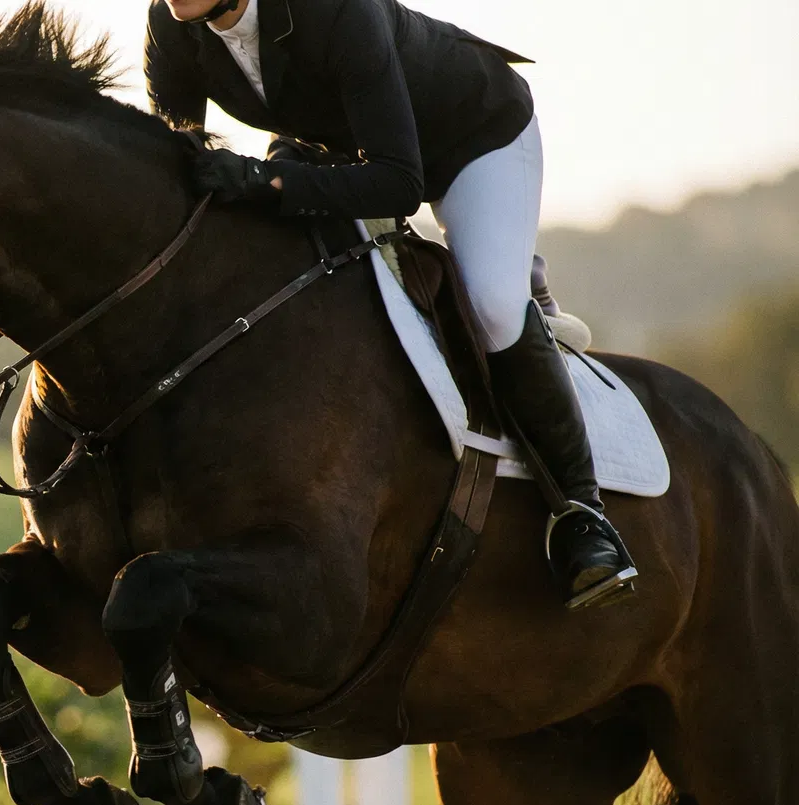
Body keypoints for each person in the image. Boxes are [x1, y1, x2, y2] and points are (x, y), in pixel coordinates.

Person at [147, 0, 637, 610]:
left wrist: (265, 182)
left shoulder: (336, 10)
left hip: (470, 138)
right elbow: (174, 163)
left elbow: (399, 184)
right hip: (338, 142)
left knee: (490, 307)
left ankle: (583, 516)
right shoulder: (172, 27)